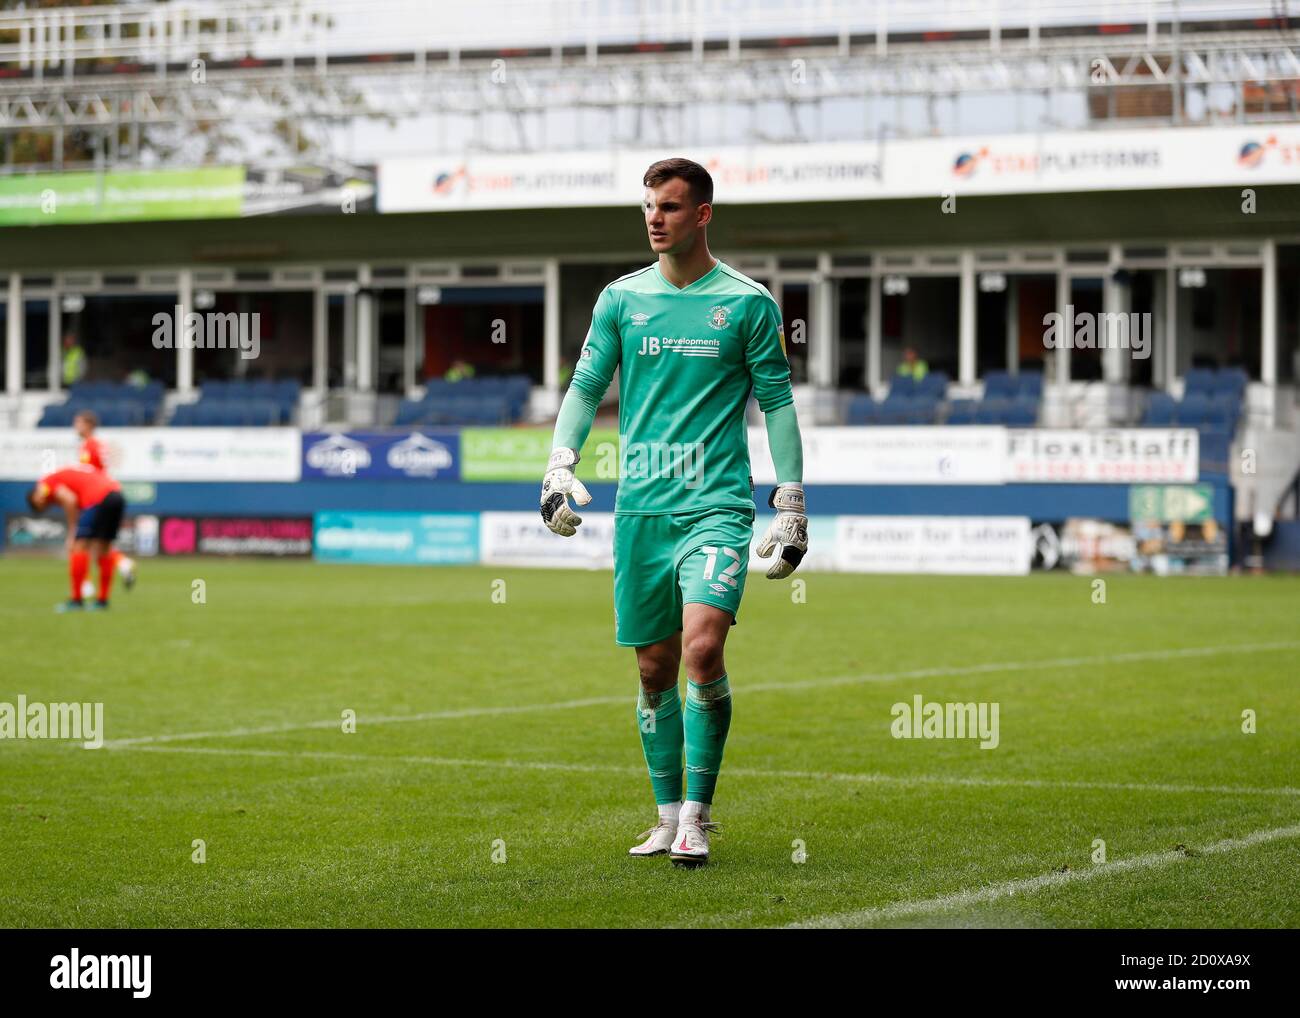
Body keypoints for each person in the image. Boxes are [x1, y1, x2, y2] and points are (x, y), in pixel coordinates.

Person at [540, 157, 807, 867]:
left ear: (703, 214)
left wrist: (792, 501)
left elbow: (776, 402)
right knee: (654, 669)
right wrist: (559, 464)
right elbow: (586, 382)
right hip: (642, 512)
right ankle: (663, 815)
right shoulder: (621, 301)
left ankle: (697, 814)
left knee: (702, 648)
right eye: (649, 207)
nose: (656, 218)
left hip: (716, 506)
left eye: (671, 207)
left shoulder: (748, 303)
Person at [27, 463, 128, 612]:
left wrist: (73, 530)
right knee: (104, 548)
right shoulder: (62, 477)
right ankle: (102, 601)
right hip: (117, 495)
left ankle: (76, 600)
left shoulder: (45, 484)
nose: (43, 503)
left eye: (40, 504)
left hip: (97, 498)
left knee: (78, 546)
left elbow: (69, 500)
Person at [73, 410, 135, 591]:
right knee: (99, 543)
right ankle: (122, 563)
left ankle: (86, 585)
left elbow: (86, 474)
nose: (75, 427)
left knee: (84, 542)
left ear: (89, 425)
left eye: (78, 423)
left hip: (96, 497)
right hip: (108, 493)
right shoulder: (100, 445)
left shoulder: (88, 447)